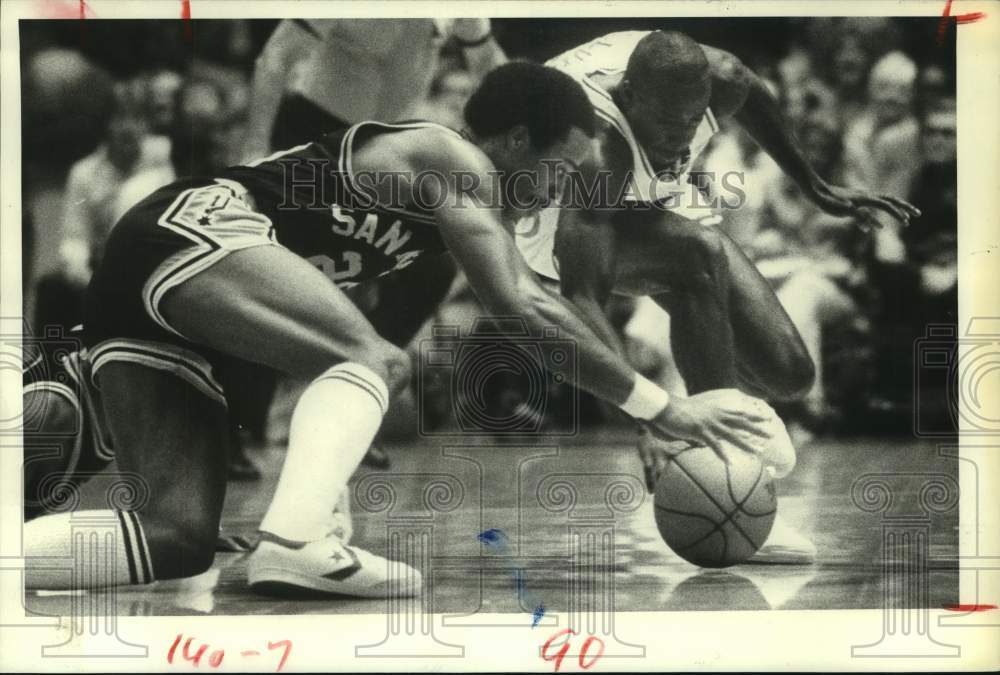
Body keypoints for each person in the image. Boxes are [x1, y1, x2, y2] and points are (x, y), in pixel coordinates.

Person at [24, 63, 777, 598]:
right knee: (374, 360)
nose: (561, 190)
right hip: (189, 227)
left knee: (177, 537)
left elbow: (545, 316)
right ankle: (295, 544)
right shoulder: (450, 159)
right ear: (514, 141)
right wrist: (663, 405)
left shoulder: (444, 227)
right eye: (559, 169)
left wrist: (329, 465)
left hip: (178, 299)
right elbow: (520, 309)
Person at [513, 31, 920, 563]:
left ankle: (719, 433)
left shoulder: (720, 79)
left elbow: (749, 93)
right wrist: (650, 412)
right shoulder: (595, 148)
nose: (683, 141)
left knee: (789, 375)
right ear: (630, 97)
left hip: (657, 197)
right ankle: (731, 467)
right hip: (552, 223)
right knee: (698, 257)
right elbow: (581, 295)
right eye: (667, 123)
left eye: (694, 121)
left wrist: (817, 187)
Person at [241, 19, 508, 467]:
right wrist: (254, 150)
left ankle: (344, 406)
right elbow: (275, 58)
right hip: (309, 137)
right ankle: (241, 429)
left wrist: (529, 111)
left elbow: (490, 69)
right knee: (276, 278)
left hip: (384, 149)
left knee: (431, 271)